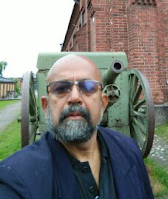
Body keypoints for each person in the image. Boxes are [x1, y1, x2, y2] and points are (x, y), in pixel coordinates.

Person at [0, 55, 154, 198]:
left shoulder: (130, 150)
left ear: (103, 103)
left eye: (88, 87)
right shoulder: (15, 178)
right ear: (46, 106)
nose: (74, 98)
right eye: (60, 88)